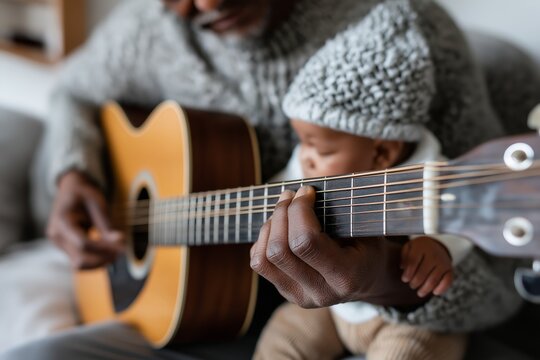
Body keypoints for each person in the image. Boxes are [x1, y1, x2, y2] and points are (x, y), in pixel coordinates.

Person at [0, 0, 522, 359]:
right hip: (203, 312)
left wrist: (384, 280)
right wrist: (71, 171)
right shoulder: (147, 30)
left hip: (370, 319)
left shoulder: (406, 33)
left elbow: (502, 283)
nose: (205, 5)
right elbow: (71, 90)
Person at [253, 18, 475, 358]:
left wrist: (439, 248)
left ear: (382, 152)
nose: (306, 158)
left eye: (322, 150)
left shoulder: (432, 176)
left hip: (409, 321)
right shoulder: (306, 163)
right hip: (329, 309)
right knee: (282, 339)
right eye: (303, 143)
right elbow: (278, 191)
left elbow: (468, 215)